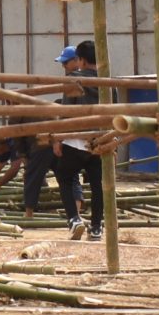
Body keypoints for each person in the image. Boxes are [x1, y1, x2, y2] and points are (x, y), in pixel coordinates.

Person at [54, 41, 107, 239]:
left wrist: (58, 138)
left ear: (81, 60)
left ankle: (74, 219)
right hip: (101, 141)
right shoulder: (107, 80)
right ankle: (96, 226)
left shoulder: (74, 79)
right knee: (97, 185)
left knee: (64, 177)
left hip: (75, 141)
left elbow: (67, 111)